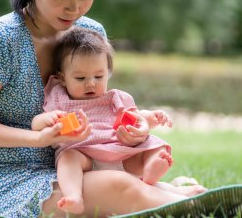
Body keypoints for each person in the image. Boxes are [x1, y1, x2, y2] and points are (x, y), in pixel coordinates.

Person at [0, 0, 206, 217]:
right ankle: (193, 208)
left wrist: (132, 129)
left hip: (71, 168)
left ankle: (184, 200)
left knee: (120, 181)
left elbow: (100, 110)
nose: (74, 9)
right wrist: (38, 139)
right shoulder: (0, 39)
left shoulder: (90, 34)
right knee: (119, 187)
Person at [32, 27, 176, 214]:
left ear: (107, 73)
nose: (91, 83)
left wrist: (151, 119)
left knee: (154, 145)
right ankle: (74, 195)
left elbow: (136, 117)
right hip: (85, 155)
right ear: (63, 78)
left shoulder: (114, 98)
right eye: (80, 78)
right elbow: (36, 124)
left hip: (120, 150)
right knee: (67, 158)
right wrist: (47, 119)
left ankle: (150, 169)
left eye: (99, 76)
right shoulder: (59, 98)